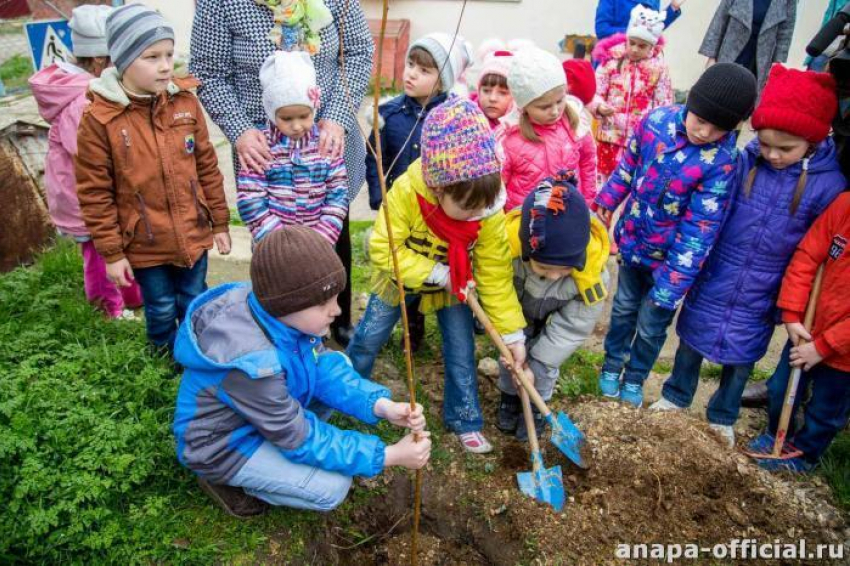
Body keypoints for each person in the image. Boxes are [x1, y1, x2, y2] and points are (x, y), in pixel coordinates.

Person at [650, 65, 846, 448]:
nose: (772, 154)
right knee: (691, 339)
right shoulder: (742, 161)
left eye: (785, 148)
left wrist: (789, 303)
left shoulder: (829, 185)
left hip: (765, 285)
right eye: (765, 142)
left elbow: (815, 251)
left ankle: (723, 415)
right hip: (719, 271)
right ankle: (676, 395)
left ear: (814, 139)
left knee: (742, 357)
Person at [173, 226, 431, 517]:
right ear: (287, 304)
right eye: (324, 303)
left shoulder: (278, 316)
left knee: (339, 364)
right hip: (223, 447)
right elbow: (301, 438)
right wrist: (389, 455)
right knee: (331, 488)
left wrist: (380, 405)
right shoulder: (251, 366)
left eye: (336, 298)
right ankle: (224, 479)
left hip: (265, 420)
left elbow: (323, 369)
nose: (336, 311)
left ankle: (278, 457)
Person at [346, 97, 527, 455]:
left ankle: (464, 418)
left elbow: (494, 274)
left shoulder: (486, 209)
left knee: (460, 349)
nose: (476, 215)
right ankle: (349, 393)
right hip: (400, 279)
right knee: (368, 338)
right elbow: (384, 248)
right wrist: (435, 272)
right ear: (440, 188)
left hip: (456, 286)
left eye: (482, 208)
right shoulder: (407, 193)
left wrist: (512, 336)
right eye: (467, 208)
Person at [190, 0, 374, 347]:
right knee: (273, 247)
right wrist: (240, 129)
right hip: (261, 147)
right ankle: (276, 325)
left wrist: (335, 117)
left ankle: (337, 318)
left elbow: (359, 54)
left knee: (334, 230)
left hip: (326, 141)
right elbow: (209, 73)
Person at [594, 63, 758, 408]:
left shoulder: (723, 161)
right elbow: (628, 166)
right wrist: (608, 199)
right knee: (623, 310)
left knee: (653, 325)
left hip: (670, 263)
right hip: (633, 242)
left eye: (718, 128)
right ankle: (611, 366)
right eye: (700, 120)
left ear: (735, 127)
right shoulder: (656, 123)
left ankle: (635, 377)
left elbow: (701, 227)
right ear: (690, 102)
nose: (704, 131)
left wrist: (673, 282)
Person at [75, 4, 231, 351]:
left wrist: (219, 222)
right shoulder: (100, 119)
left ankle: (195, 360)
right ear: (123, 59)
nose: (165, 65)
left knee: (194, 301)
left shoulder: (186, 104)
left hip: (191, 232)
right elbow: (94, 192)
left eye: (169, 54)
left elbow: (206, 166)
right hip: (144, 242)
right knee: (160, 309)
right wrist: (113, 254)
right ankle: (161, 364)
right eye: (151, 56)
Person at [29, 4, 143, 321]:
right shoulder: (82, 100)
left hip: (97, 192)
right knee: (98, 253)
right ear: (97, 61)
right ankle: (108, 310)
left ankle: (132, 299)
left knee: (118, 245)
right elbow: (89, 151)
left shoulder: (93, 90)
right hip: (84, 198)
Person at [364, 33, 472, 352]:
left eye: (423, 71)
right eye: (410, 64)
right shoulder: (389, 114)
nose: (411, 73)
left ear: (443, 81)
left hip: (436, 214)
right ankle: (405, 328)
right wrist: (378, 198)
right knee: (398, 270)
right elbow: (375, 157)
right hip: (398, 212)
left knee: (429, 267)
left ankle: (420, 327)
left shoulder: (452, 119)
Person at [498, 173, 610, 440]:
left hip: (560, 311)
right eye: (544, 268)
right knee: (511, 354)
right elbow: (498, 294)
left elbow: (573, 326)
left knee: (543, 363)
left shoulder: (592, 273)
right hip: (516, 305)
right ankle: (509, 398)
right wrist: (514, 337)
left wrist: (538, 361)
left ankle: (537, 406)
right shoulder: (506, 250)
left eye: (563, 270)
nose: (553, 276)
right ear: (527, 252)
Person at [748, 192, 850, 473]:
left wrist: (823, 347)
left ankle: (805, 453)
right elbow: (807, 257)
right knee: (780, 388)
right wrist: (792, 316)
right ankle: (776, 434)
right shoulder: (844, 206)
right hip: (806, 330)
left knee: (825, 411)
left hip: (843, 355)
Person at [237, 51, 348, 246]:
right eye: (286, 118)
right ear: (272, 113)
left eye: (304, 116)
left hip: (318, 247)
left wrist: (321, 238)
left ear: (313, 109)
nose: (296, 126)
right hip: (273, 249)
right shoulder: (261, 148)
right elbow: (250, 199)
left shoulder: (325, 146)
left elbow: (337, 194)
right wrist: (280, 242)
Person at [503, 47, 597, 210]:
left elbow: (588, 162)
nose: (554, 111)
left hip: (568, 214)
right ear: (524, 106)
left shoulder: (576, 125)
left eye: (560, 101)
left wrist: (588, 204)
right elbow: (498, 185)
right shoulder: (509, 138)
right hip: (524, 222)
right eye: (544, 106)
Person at [591, 5, 673, 184]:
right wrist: (598, 106)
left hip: (638, 140)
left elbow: (663, 104)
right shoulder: (611, 61)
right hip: (609, 134)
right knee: (603, 179)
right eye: (632, 43)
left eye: (642, 46)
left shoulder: (658, 69)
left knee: (630, 181)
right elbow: (596, 91)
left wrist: (655, 131)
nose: (635, 49)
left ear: (652, 45)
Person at [699, 0, 798, 92]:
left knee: (744, 100)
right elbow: (721, 17)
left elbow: (785, 32)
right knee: (717, 91)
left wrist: (776, 63)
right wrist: (711, 56)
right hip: (730, 48)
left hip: (760, 60)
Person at [472, 47, 516, 162]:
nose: (492, 98)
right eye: (486, 91)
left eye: (503, 93)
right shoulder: (468, 123)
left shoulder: (521, 129)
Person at [595, 0, 683, 42]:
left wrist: (673, 7)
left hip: (641, 60)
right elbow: (602, 30)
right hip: (612, 59)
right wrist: (636, 31)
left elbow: (653, 28)